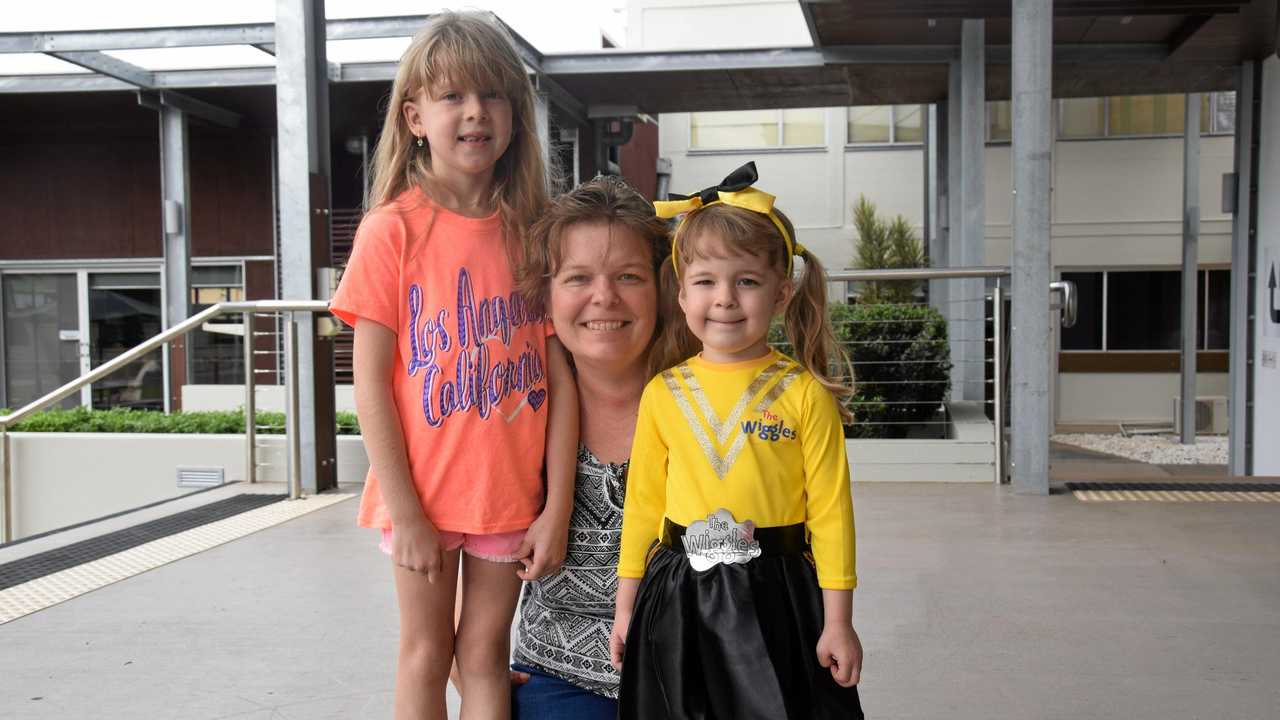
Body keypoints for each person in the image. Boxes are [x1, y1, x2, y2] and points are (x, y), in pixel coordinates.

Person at [329, 13, 576, 720]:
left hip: (506, 494)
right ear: (414, 117)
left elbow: (559, 381)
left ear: (515, 115)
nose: (476, 112)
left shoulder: (537, 229)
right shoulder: (392, 229)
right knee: (425, 653)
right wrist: (403, 511)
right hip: (423, 499)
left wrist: (555, 506)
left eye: (494, 95)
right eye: (453, 96)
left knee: (484, 657)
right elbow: (369, 380)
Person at [610, 161, 866, 719]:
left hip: (778, 592)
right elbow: (643, 505)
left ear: (781, 292)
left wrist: (839, 621)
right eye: (705, 281)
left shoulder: (804, 395)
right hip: (677, 593)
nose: (724, 298)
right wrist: (626, 606)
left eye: (746, 280)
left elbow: (830, 514)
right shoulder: (663, 392)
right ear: (681, 294)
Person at [505, 175, 698, 719]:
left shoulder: (708, 400)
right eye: (578, 278)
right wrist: (465, 659)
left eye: (628, 276)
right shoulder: (522, 410)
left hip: (692, 673)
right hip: (556, 677)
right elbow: (463, 532)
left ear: (665, 291)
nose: (603, 297)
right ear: (546, 295)